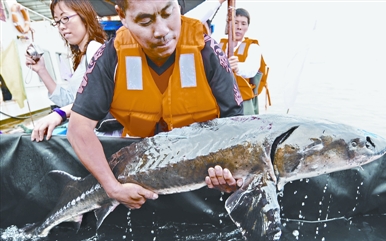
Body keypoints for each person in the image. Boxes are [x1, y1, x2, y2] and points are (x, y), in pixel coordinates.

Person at [67, 0, 244, 210]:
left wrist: (233, 179)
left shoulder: (208, 51)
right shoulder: (111, 56)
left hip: (201, 181)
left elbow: (237, 130)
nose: (161, 31)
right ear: (122, 16)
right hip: (137, 180)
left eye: (168, 12)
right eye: (144, 20)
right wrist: (113, 188)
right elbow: (78, 128)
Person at [28, 0, 111, 142]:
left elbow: (99, 99)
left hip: (103, 138)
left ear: (84, 16)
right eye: (57, 22)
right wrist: (41, 70)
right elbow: (71, 101)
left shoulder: (94, 49)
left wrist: (59, 113)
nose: (61, 27)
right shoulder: (82, 56)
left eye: (65, 18)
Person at [220, 8, 268, 115]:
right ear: (229, 24)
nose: (239, 27)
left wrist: (237, 67)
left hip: (244, 98)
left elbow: (251, 69)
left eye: (243, 24)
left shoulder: (253, 47)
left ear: (247, 27)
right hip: (221, 98)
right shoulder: (219, 46)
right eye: (235, 23)